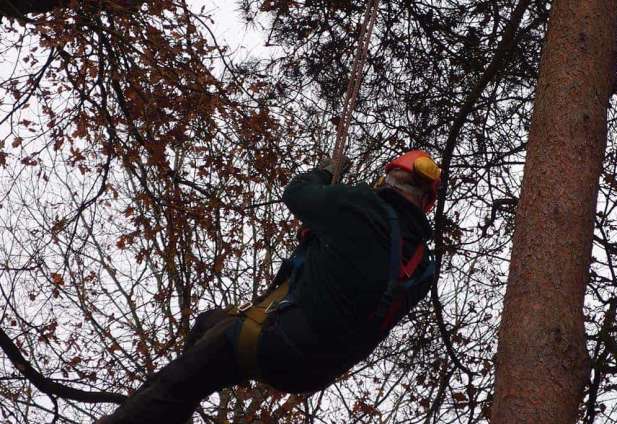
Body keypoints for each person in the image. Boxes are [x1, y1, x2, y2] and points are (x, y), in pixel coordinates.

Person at [100, 150, 441, 424]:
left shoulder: (359, 205)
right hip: (314, 371)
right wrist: (322, 244)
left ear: (387, 179)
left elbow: (297, 194)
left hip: (278, 340)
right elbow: (358, 285)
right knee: (209, 325)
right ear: (426, 202)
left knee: (175, 384)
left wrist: (323, 172)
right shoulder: (423, 266)